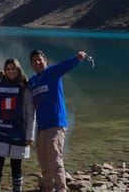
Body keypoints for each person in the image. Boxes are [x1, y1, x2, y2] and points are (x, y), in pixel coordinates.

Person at [28, 49, 88, 192]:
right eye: (33, 61)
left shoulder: (51, 73)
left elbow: (64, 65)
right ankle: (48, 188)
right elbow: (21, 91)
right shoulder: (33, 81)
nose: (37, 62)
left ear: (45, 61)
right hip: (41, 128)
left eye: (39, 59)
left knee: (55, 161)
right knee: (43, 162)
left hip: (56, 125)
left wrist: (77, 58)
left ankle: (61, 189)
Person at [0, 58, 35, 192]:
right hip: (2, 131)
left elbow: (30, 113)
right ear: (5, 71)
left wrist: (30, 135)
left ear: (18, 70)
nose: (11, 72)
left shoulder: (25, 88)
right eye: (8, 69)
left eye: (13, 69)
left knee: (16, 165)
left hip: (18, 131)